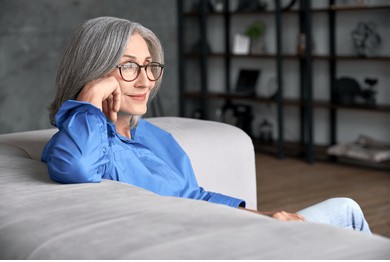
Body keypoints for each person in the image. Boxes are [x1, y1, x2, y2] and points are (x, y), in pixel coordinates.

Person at [41, 16, 371, 234]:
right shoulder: (78, 142)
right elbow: (78, 169)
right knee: (345, 213)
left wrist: (266, 217)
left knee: (346, 208)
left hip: (225, 231)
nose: (145, 81)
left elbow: (196, 196)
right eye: (128, 67)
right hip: (200, 251)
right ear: (93, 73)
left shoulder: (155, 136)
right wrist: (90, 101)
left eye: (149, 66)